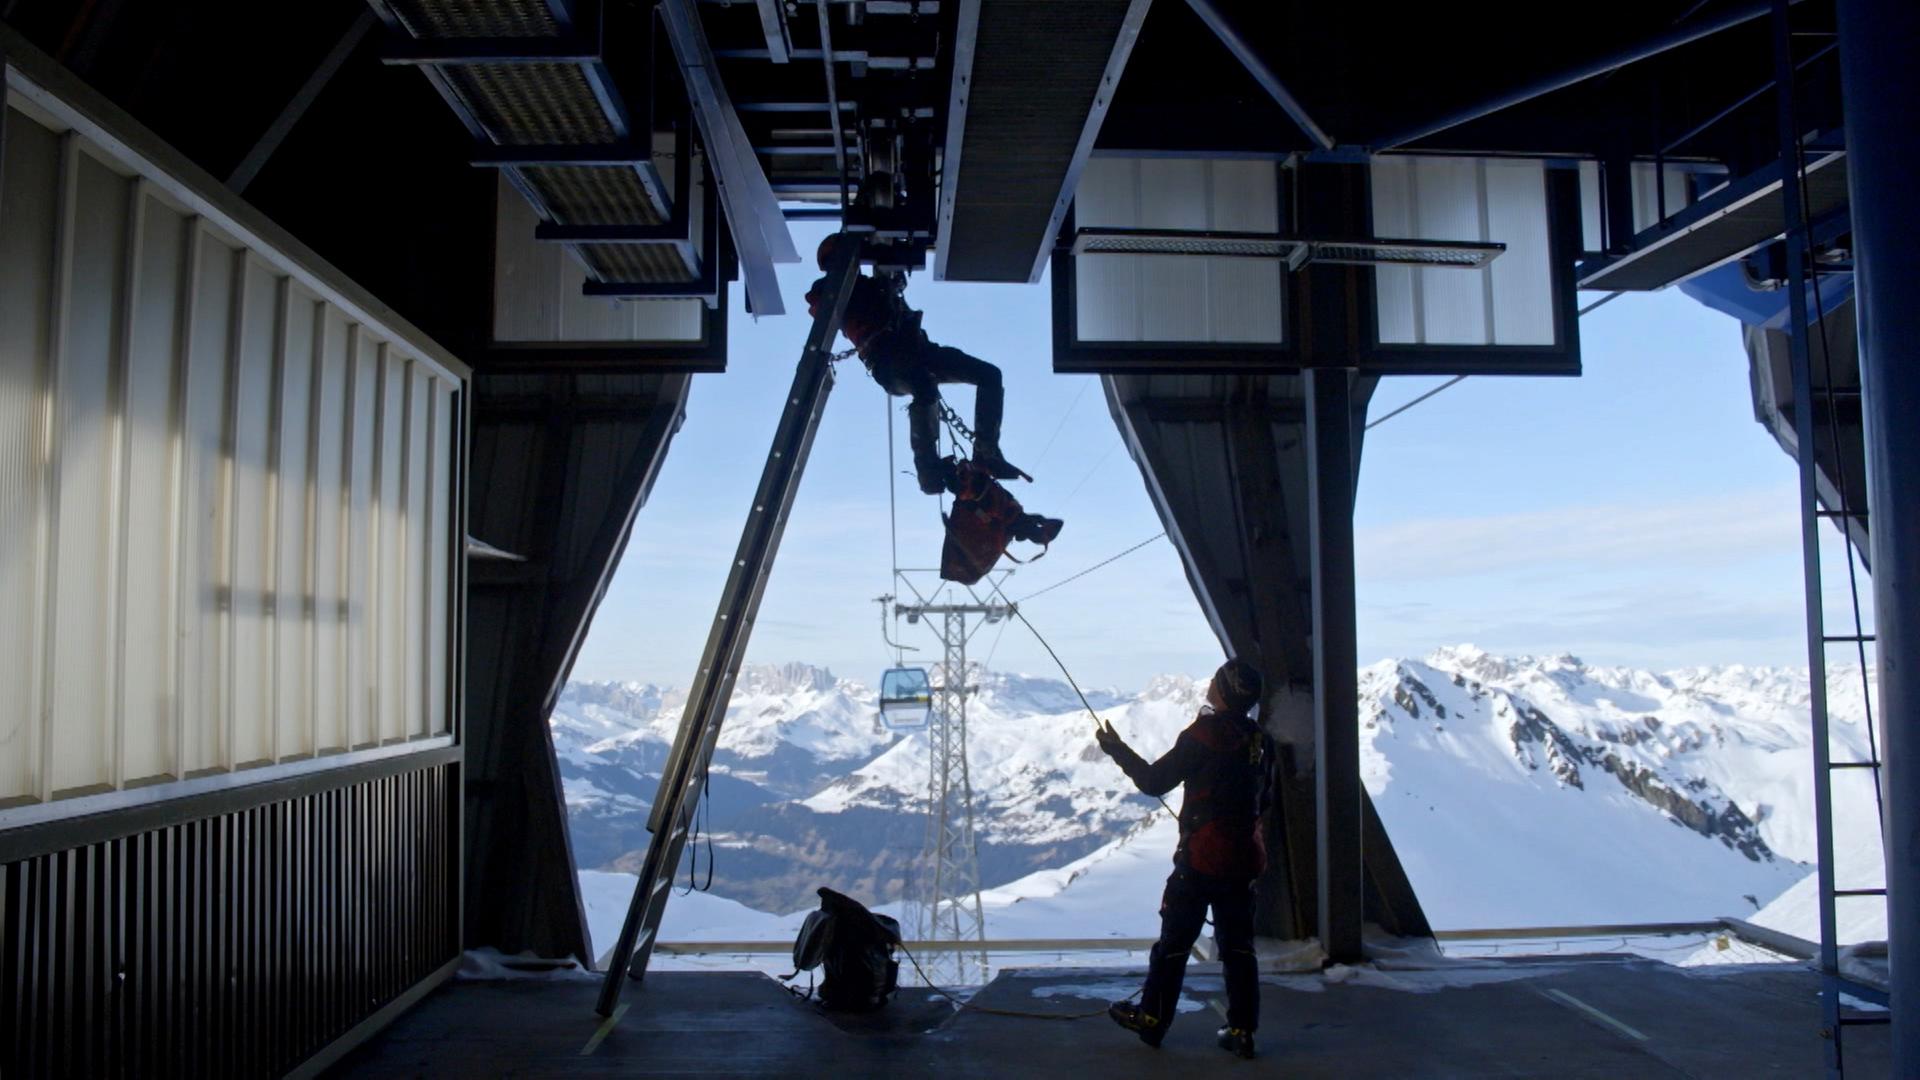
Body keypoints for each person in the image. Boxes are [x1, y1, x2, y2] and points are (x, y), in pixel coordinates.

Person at [1095, 657, 1272, 1058]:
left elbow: (1153, 782)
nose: (1210, 685)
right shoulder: (1261, 741)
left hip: (1200, 859)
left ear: (1223, 691)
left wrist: (1116, 749)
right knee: (1238, 948)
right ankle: (1243, 1029)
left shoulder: (1203, 734)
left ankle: (1152, 1019)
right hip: (1244, 860)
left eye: (1215, 682)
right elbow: (1268, 798)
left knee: (1174, 943)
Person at [805, 234, 1027, 494]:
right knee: (924, 387)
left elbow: (888, 301)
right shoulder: (831, 290)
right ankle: (928, 470)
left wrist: (891, 283)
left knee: (989, 375)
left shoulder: (871, 286)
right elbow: (826, 304)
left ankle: (986, 452)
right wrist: (885, 284)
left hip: (919, 351)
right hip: (888, 360)